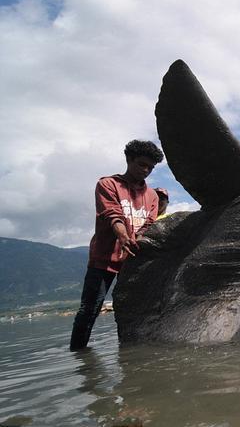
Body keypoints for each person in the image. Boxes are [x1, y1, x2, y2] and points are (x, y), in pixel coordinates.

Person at [70, 140, 164, 351]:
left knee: (129, 308)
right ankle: (78, 356)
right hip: (104, 259)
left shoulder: (152, 196)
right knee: (90, 309)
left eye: (150, 167)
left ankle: (127, 354)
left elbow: (149, 224)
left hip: (133, 260)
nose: (146, 170)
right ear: (129, 160)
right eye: (141, 164)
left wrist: (137, 238)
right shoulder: (108, 184)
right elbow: (113, 214)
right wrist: (123, 236)